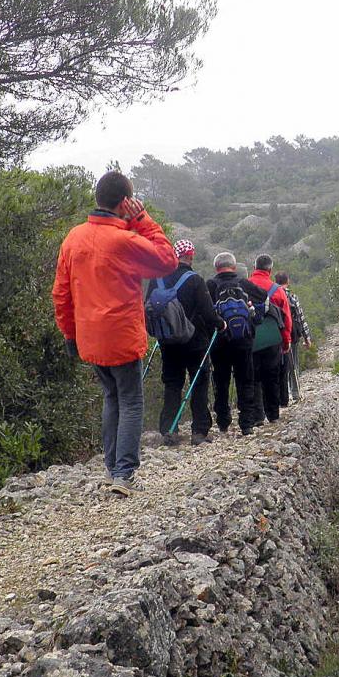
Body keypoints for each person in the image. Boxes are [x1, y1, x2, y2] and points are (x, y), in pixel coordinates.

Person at [52, 171, 176, 496]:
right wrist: (143, 220)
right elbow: (166, 261)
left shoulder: (73, 238)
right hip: (121, 335)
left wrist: (69, 333)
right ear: (125, 202)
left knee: (111, 398)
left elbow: (61, 292)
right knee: (132, 401)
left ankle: (112, 469)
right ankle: (124, 474)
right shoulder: (124, 241)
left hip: (89, 338)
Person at [153, 239, 223, 445]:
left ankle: (169, 430)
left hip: (167, 342)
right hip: (195, 342)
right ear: (190, 256)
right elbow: (209, 314)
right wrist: (221, 324)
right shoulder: (195, 280)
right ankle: (199, 432)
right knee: (198, 383)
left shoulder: (158, 280)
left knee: (172, 384)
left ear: (175, 256)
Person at [208, 252, 267, 436]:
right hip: (244, 340)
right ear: (233, 267)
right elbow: (263, 295)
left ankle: (223, 422)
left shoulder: (211, 285)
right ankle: (246, 424)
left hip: (220, 341)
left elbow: (203, 309)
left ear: (216, 267)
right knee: (245, 380)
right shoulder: (243, 283)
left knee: (221, 381)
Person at [248, 254, 292, 423]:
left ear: (254, 268)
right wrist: (286, 340)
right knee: (271, 376)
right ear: (270, 270)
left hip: (250, 338)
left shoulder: (244, 286)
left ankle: (257, 416)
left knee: (253, 377)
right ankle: (273, 414)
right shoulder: (277, 290)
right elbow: (286, 318)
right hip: (273, 339)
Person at [276, 272, 311, 402]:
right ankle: (295, 393)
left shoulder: (271, 295)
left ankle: (283, 395)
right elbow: (301, 319)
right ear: (288, 281)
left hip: (276, 336)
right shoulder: (292, 297)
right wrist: (307, 338)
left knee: (279, 364)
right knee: (293, 363)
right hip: (292, 335)